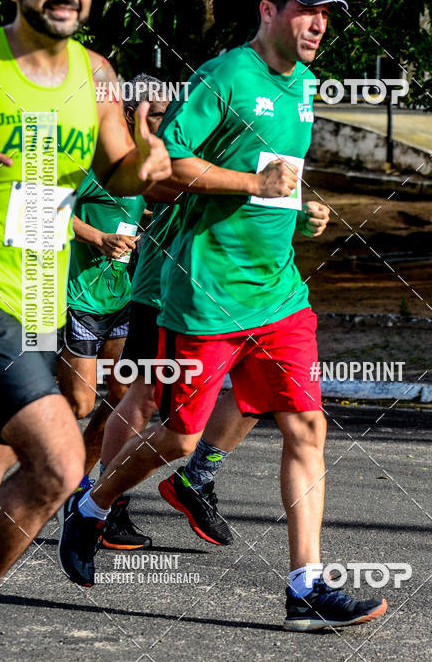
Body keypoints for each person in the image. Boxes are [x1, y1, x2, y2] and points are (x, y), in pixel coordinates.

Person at [59, 0, 388, 631]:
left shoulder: (303, 87)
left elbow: (274, 169)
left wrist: (303, 203)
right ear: (269, 10)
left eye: (327, 15)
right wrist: (252, 186)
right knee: (178, 437)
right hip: (206, 294)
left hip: (280, 295)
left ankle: (305, 585)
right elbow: (169, 163)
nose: (320, 24)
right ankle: (88, 506)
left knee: (307, 426)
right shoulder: (225, 76)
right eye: (307, 10)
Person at [0, 0, 170, 662]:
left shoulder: (99, 75)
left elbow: (123, 175)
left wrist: (148, 157)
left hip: (40, 293)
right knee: (59, 461)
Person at [99, 199, 330, 547]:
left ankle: (195, 478)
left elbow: (264, 209)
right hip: (169, 286)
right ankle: (105, 506)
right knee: (145, 396)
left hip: (249, 296)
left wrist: (303, 215)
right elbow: (147, 182)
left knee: (264, 389)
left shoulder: (270, 147)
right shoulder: (193, 144)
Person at [58, 75, 171, 550]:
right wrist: (99, 238)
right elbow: (52, 208)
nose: (166, 123)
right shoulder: (94, 158)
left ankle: (97, 502)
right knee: (81, 404)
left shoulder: (157, 163)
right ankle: (51, 480)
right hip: (83, 297)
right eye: (158, 114)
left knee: (124, 400)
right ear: (130, 113)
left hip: (127, 296)